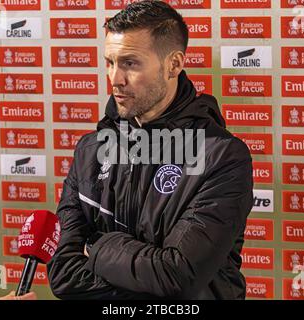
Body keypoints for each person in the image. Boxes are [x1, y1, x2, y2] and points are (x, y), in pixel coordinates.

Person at [47, 0, 253, 300]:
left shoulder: (221, 158)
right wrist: (145, 278)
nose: (115, 79)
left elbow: (176, 277)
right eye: (110, 62)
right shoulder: (90, 151)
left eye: (130, 63)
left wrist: (97, 247)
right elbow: (63, 275)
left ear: (174, 64)